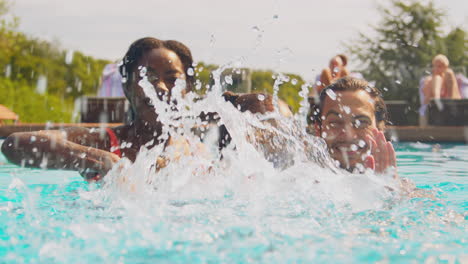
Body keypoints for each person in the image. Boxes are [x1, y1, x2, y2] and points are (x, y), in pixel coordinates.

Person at [1, 37, 196, 181]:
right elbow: (14, 145)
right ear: (128, 88)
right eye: (148, 77)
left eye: (172, 79)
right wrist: (92, 158)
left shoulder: (195, 152)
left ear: (187, 89)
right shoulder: (103, 142)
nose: (160, 87)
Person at [313, 77, 396, 174]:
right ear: (318, 130)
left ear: (379, 128)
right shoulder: (301, 181)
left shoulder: (401, 187)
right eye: (335, 123)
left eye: (361, 123)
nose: (349, 136)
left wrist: (389, 187)